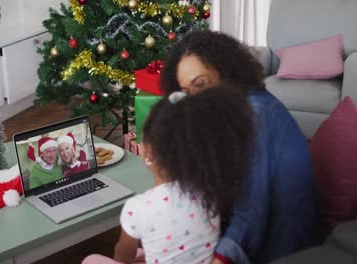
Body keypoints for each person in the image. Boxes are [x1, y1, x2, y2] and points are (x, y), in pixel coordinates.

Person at [160, 30, 321, 264]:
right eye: (187, 92)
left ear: (225, 71)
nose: (195, 99)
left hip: (282, 242)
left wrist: (220, 258)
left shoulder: (255, 115)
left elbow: (252, 210)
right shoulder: (233, 106)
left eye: (201, 84)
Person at [82, 85, 255, 264]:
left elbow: (122, 256)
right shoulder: (211, 194)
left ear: (148, 153)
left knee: (91, 259)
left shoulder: (137, 208)